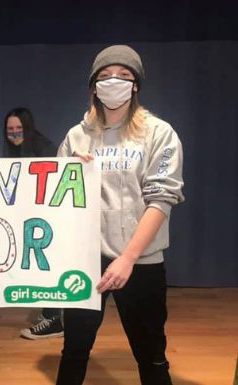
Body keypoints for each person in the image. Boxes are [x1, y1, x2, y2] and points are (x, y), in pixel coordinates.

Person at [55, 45, 184, 385]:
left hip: (139, 262)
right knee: (74, 350)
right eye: (105, 75)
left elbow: (161, 199)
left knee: (151, 356)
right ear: (94, 86)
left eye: (124, 76)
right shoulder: (76, 136)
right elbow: (57, 200)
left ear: (136, 85)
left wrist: (128, 257)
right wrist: (70, 174)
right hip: (87, 262)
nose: (114, 81)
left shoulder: (158, 133)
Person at [3, 107, 65, 340]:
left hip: (48, 218)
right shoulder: (15, 151)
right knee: (38, 265)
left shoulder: (43, 147)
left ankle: (54, 320)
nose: (15, 133)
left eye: (19, 128)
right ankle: (51, 314)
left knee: (44, 265)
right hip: (33, 217)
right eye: (10, 129)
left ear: (28, 128)